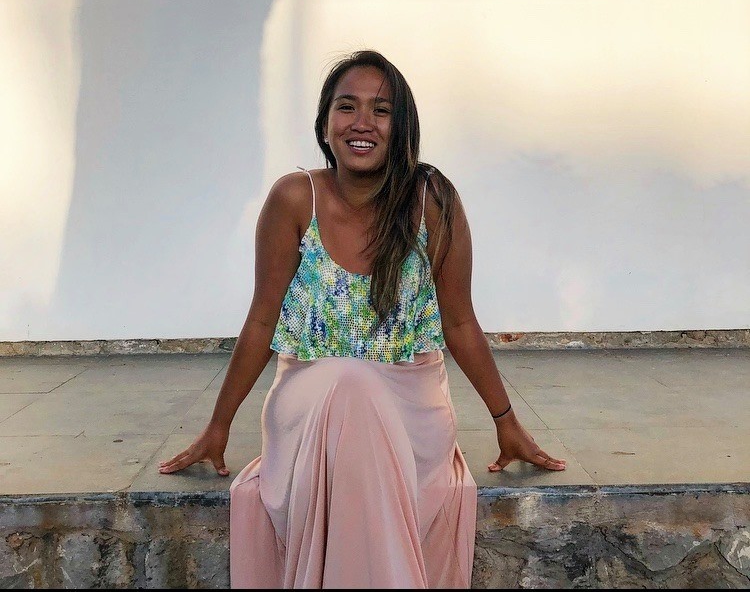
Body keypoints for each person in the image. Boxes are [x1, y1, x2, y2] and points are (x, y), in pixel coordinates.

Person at [158, 50, 566, 588]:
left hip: (409, 405)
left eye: (382, 110)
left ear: (402, 126)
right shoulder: (293, 199)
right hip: (311, 400)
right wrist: (218, 427)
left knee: (358, 386)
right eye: (347, 107)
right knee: (348, 380)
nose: (362, 123)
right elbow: (261, 321)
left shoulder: (431, 200)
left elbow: (460, 322)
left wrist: (505, 421)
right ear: (326, 123)